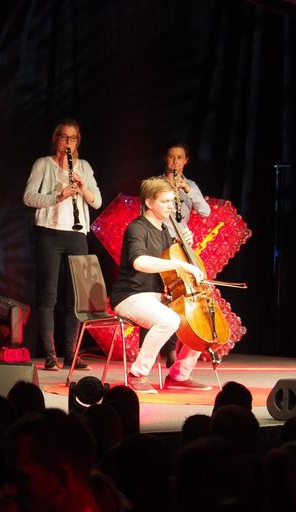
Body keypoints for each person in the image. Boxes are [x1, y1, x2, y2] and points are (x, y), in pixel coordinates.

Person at [110, 176, 210, 394]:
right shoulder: (137, 228)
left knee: (202, 320)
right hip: (130, 296)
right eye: (164, 201)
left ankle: (179, 374)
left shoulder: (165, 231)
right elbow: (139, 262)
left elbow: (169, 265)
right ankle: (137, 373)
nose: (170, 206)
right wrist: (179, 264)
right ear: (149, 203)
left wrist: (184, 246)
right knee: (169, 319)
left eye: (171, 202)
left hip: (155, 296)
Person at [23, 119, 102, 371]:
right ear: (56, 138)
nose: (68, 143)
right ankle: (49, 355)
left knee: (76, 298)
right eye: (63, 137)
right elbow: (28, 197)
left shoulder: (84, 167)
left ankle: (71, 354)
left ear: (78, 141)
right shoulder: (42, 164)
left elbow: (97, 202)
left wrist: (82, 188)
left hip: (77, 235)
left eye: (73, 138)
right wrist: (58, 196)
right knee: (48, 296)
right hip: (49, 235)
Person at [157, 140, 211, 367]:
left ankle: (186, 343)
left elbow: (205, 212)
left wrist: (189, 191)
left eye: (179, 158)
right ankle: (166, 349)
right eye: (171, 157)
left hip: (183, 246)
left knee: (185, 295)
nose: (175, 162)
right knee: (165, 297)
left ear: (186, 160)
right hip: (162, 243)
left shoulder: (190, 185)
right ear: (165, 159)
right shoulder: (157, 184)